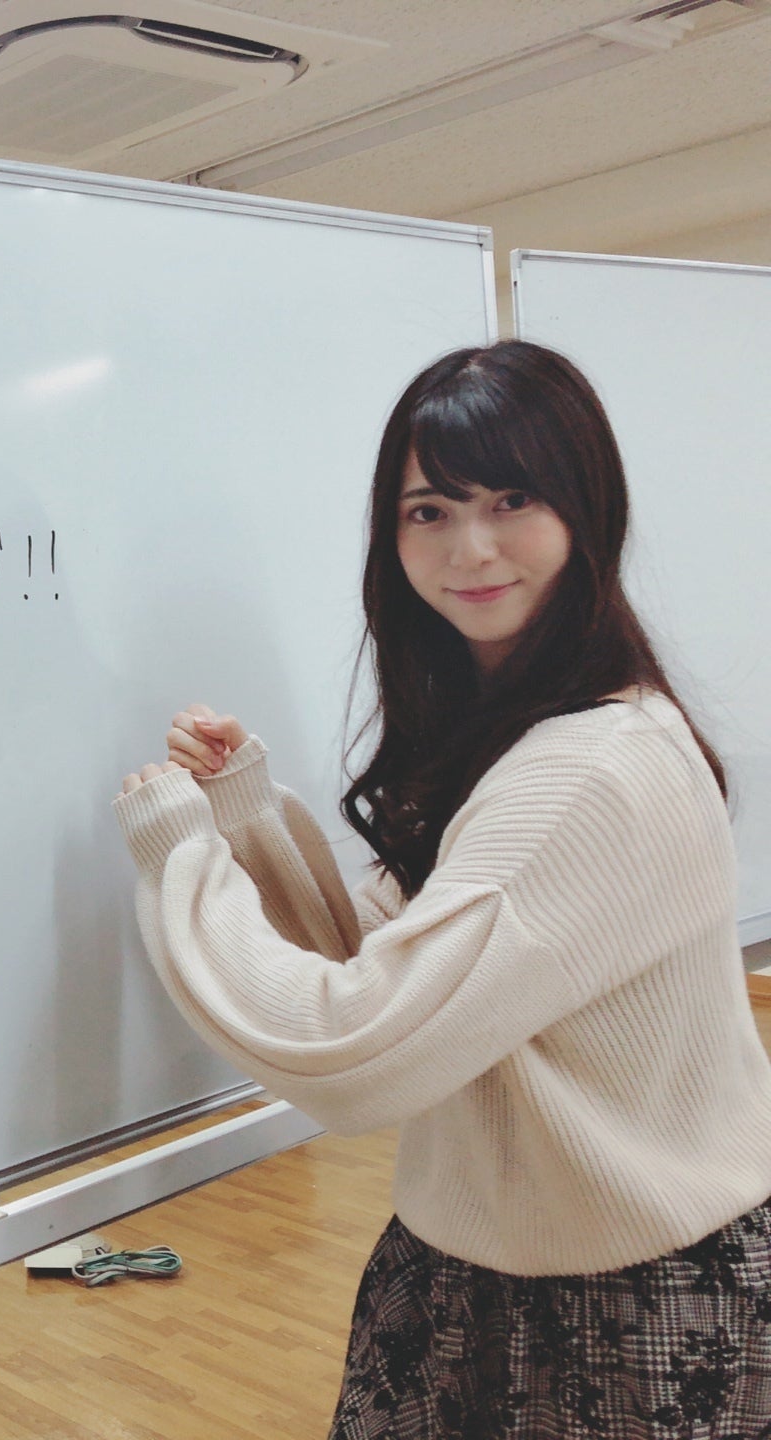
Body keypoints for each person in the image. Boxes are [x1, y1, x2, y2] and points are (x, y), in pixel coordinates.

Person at [110, 339, 771, 1438]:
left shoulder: (585, 773)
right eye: (430, 510)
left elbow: (355, 1049)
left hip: (619, 1295)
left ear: (587, 509)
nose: (471, 548)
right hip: (479, 1262)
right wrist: (243, 815)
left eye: (513, 500)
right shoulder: (513, 733)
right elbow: (390, 959)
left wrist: (183, 858)